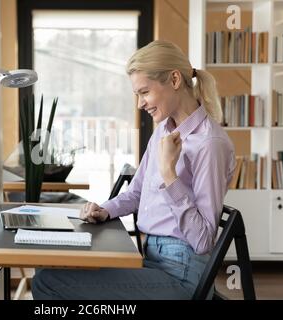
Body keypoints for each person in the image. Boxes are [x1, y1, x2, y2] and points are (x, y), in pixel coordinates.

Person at [32, 40, 236, 300]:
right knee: (50, 268)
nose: (140, 103)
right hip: (151, 259)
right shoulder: (163, 130)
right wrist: (105, 209)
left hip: (182, 276)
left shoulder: (210, 144)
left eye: (144, 92)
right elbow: (137, 192)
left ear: (174, 80)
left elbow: (203, 240)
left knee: (48, 282)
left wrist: (169, 175)